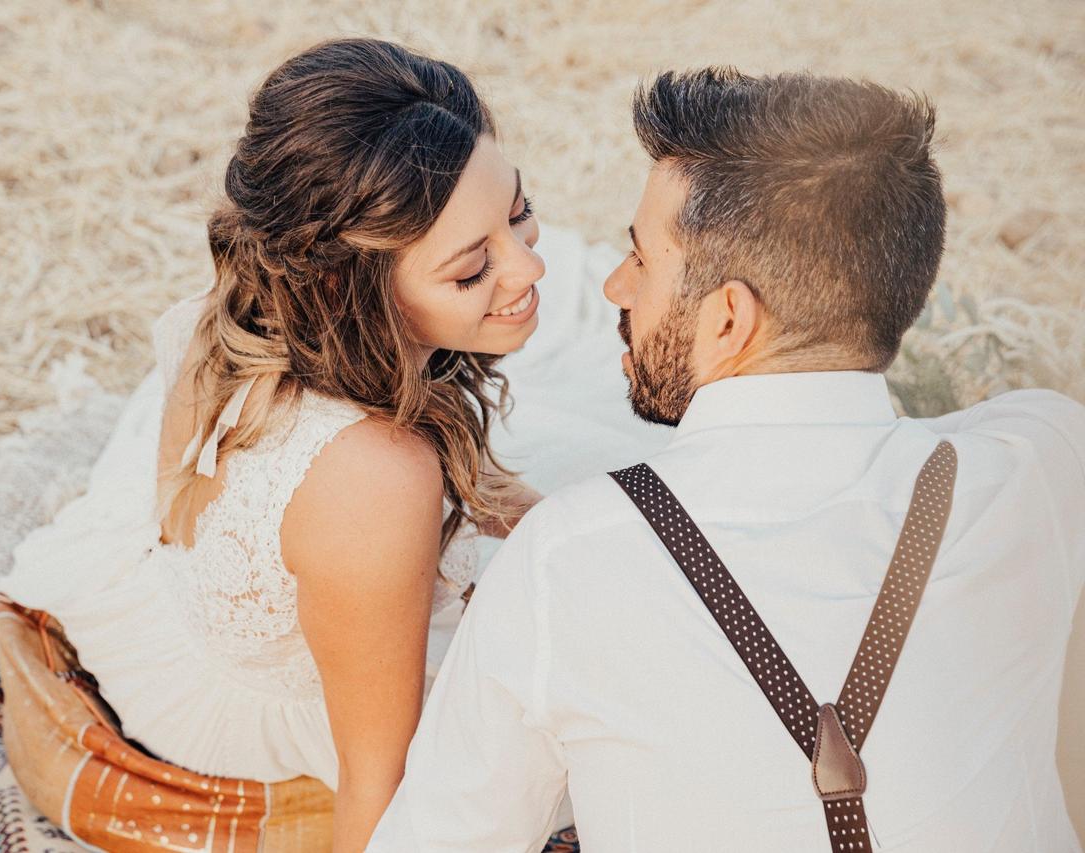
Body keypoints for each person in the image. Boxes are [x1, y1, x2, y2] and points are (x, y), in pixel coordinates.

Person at [368, 68, 1085, 851]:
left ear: (729, 320)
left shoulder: (565, 559)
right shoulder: (1038, 465)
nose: (613, 286)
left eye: (640, 261)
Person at [0, 37, 546, 852]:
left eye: (518, 211)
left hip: (190, 618)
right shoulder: (377, 476)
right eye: (472, 270)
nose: (530, 266)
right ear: (348, 286)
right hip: (269, 725)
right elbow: (377, 775)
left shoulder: (252, 297)